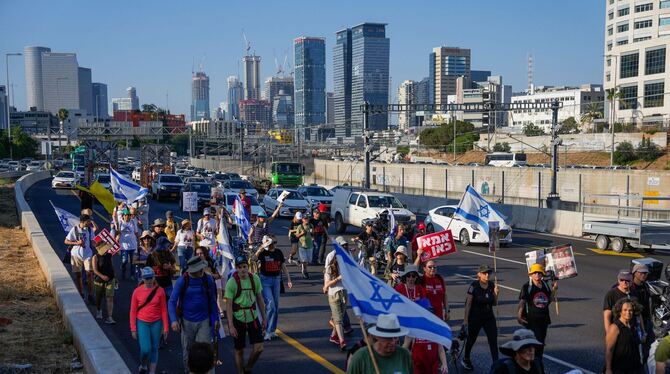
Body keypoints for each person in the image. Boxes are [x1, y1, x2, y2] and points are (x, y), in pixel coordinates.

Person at [168, 257, 219, 373]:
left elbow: (213, 300)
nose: (201, 272)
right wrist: (174, 320)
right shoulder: (183, 280)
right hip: (186, 322)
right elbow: (172, 301)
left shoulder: (208, 280)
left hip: (204, 321)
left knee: (205, 352)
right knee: (188, 352)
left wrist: (216, 318)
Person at [225, 255, 267, 374]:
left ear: (247, 267)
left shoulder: (255, 279)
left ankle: (248, 368)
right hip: (238, 318)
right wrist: (231, 325)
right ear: (236, 268)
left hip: (253, 317)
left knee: (259, 348)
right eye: (239, 267)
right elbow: (228, 305)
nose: (242, 269)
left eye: (244, 266)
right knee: (239, 350)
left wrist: (264, 318)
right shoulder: (232, 283)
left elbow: (260, 299)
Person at [130, 267, 169, 374]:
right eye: (146, 279)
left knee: (154, 348)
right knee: (145, 349)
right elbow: (133, 311)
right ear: (142, 279)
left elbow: (164, 310)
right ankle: (143, 364)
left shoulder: (160, 291)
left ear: (153, 278)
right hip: (142, 322)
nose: (148, 281)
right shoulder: (137, 292)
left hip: (156, 322)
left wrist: (165, 327)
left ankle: (152, 371)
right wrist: (133, 328)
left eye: (150, 278)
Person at [517, 263, 557, 365]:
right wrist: (519, 316)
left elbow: (549, 300)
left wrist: (554, 290)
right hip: (532, 320)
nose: (537, 275)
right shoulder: (527, 286)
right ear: (531, 274)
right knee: (537, 342)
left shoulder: (545, 285)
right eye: (535, 273)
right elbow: (522, 302)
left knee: (541, 343)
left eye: (539, 273)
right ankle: (535, 363)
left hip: (544, 319)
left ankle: (538, 363)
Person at [462, 264, 499, 371]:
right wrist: (465, 321)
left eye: (488, 273)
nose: (487, 275)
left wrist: (496, 294)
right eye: (484, 273)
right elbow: (468, 304)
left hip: (489, 317)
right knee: (471, 339)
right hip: (475, 317)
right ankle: (466, 358)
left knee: (493, 340)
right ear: (479, 274)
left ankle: (496, 364)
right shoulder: (474, 286)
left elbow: (494, 303)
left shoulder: (492, 285)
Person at [347, 313, 413, 374]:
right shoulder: (360, 357)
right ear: (377, 336)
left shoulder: (405, 355)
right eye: (389, 338)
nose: (393, 342)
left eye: (395, 337)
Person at [255, 235, 292, 341]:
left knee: (275, 306)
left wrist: (288, 279)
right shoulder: (263, 253)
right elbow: (253, 258)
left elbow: (283, 266)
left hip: (276, 280)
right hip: (265, 280)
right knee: (270, 305)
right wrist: (261, 248)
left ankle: (272, 330)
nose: (273, 245)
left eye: (274, 243)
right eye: (271, 243)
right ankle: (266, 330)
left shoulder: (278, 252)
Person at [403, 298, 448, 374]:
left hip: (433, 366)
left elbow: (440, 348)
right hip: (418, 366)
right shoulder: (413, 328)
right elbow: (405, 347)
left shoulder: (435, 327)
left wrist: (444, 363)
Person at [605, 298, 643, 374]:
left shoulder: (633, 326)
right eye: (625, 310)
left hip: (634, 368)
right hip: (620, 369)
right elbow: (609, 350)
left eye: (630, 310)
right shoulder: (615, 328)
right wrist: (608, 369)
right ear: (620, 311)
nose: (628, 312)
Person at [64, 214, 96, 302]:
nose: (90, 223)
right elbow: (66, 241)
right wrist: (76, 243)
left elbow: (93, 241)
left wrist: (99, 245)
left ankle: (90, 294)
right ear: (83, 221)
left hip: (87, 254)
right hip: (76, 255)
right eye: (88, 221)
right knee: (78, 275)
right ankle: (81, 293)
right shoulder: (74, 229)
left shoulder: (89, 230)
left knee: (90, 274)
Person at [324, 244, 347, 351]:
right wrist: (338, 278)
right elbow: (328, 283)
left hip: (344, 292)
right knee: (338, 320)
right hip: (334, 294)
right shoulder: (330, 265)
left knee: (340, 317)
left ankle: (334, 336)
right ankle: (342, 341)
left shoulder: (346, 257)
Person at [631, 264, 653, 361]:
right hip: (637, 321)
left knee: (649, 346)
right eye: (642, 273)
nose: (644, 275)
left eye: (646, 273)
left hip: (647, 319)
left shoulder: (645, 286)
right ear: (635, 273)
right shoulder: (631, 288)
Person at [146, 236, 176, 303]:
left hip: (167, 283)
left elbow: (174, 270)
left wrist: (169, 268)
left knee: (171, 301)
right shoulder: (151, 256)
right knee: (157, 303)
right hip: (156, 284)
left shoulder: (169, 254)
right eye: (167, 245)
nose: (168, 247)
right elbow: (147, 271)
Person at [92, 240, 116, 323]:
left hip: (110, 279)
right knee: (99, 297)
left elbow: (112, 266)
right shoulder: (95, 257)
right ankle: (98, 309)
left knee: (110, 297)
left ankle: (110, 317)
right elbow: (95, 270)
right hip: (99, 281)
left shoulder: (109, 255)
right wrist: (102, 276)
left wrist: (115, 278)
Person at [116, 209, 140, 280]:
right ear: (123, 216)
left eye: (129, 215)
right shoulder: (120, 223)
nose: (128, 217)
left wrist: (139, 242)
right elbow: (118, 233)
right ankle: (123, 273)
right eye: (126, 215)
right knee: (125, 261)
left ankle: (132, 275)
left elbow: (136, 232)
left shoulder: (133, 222)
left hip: (133, 245)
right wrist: (116, 240)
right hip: (124, 247)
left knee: (133, 262)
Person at [294, 214, 313, 279]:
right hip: (302, 245)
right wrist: (301, 233)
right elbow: (296, 236)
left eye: (307, 218)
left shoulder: (311, 226)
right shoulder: (300, 226)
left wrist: (313, 237)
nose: (306, 220)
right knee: (304, 260)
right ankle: (305, 271)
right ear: (302, 220)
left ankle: (303, 266)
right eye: (305, 219)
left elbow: (313, 234)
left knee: (308, 260)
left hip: (309, 245)